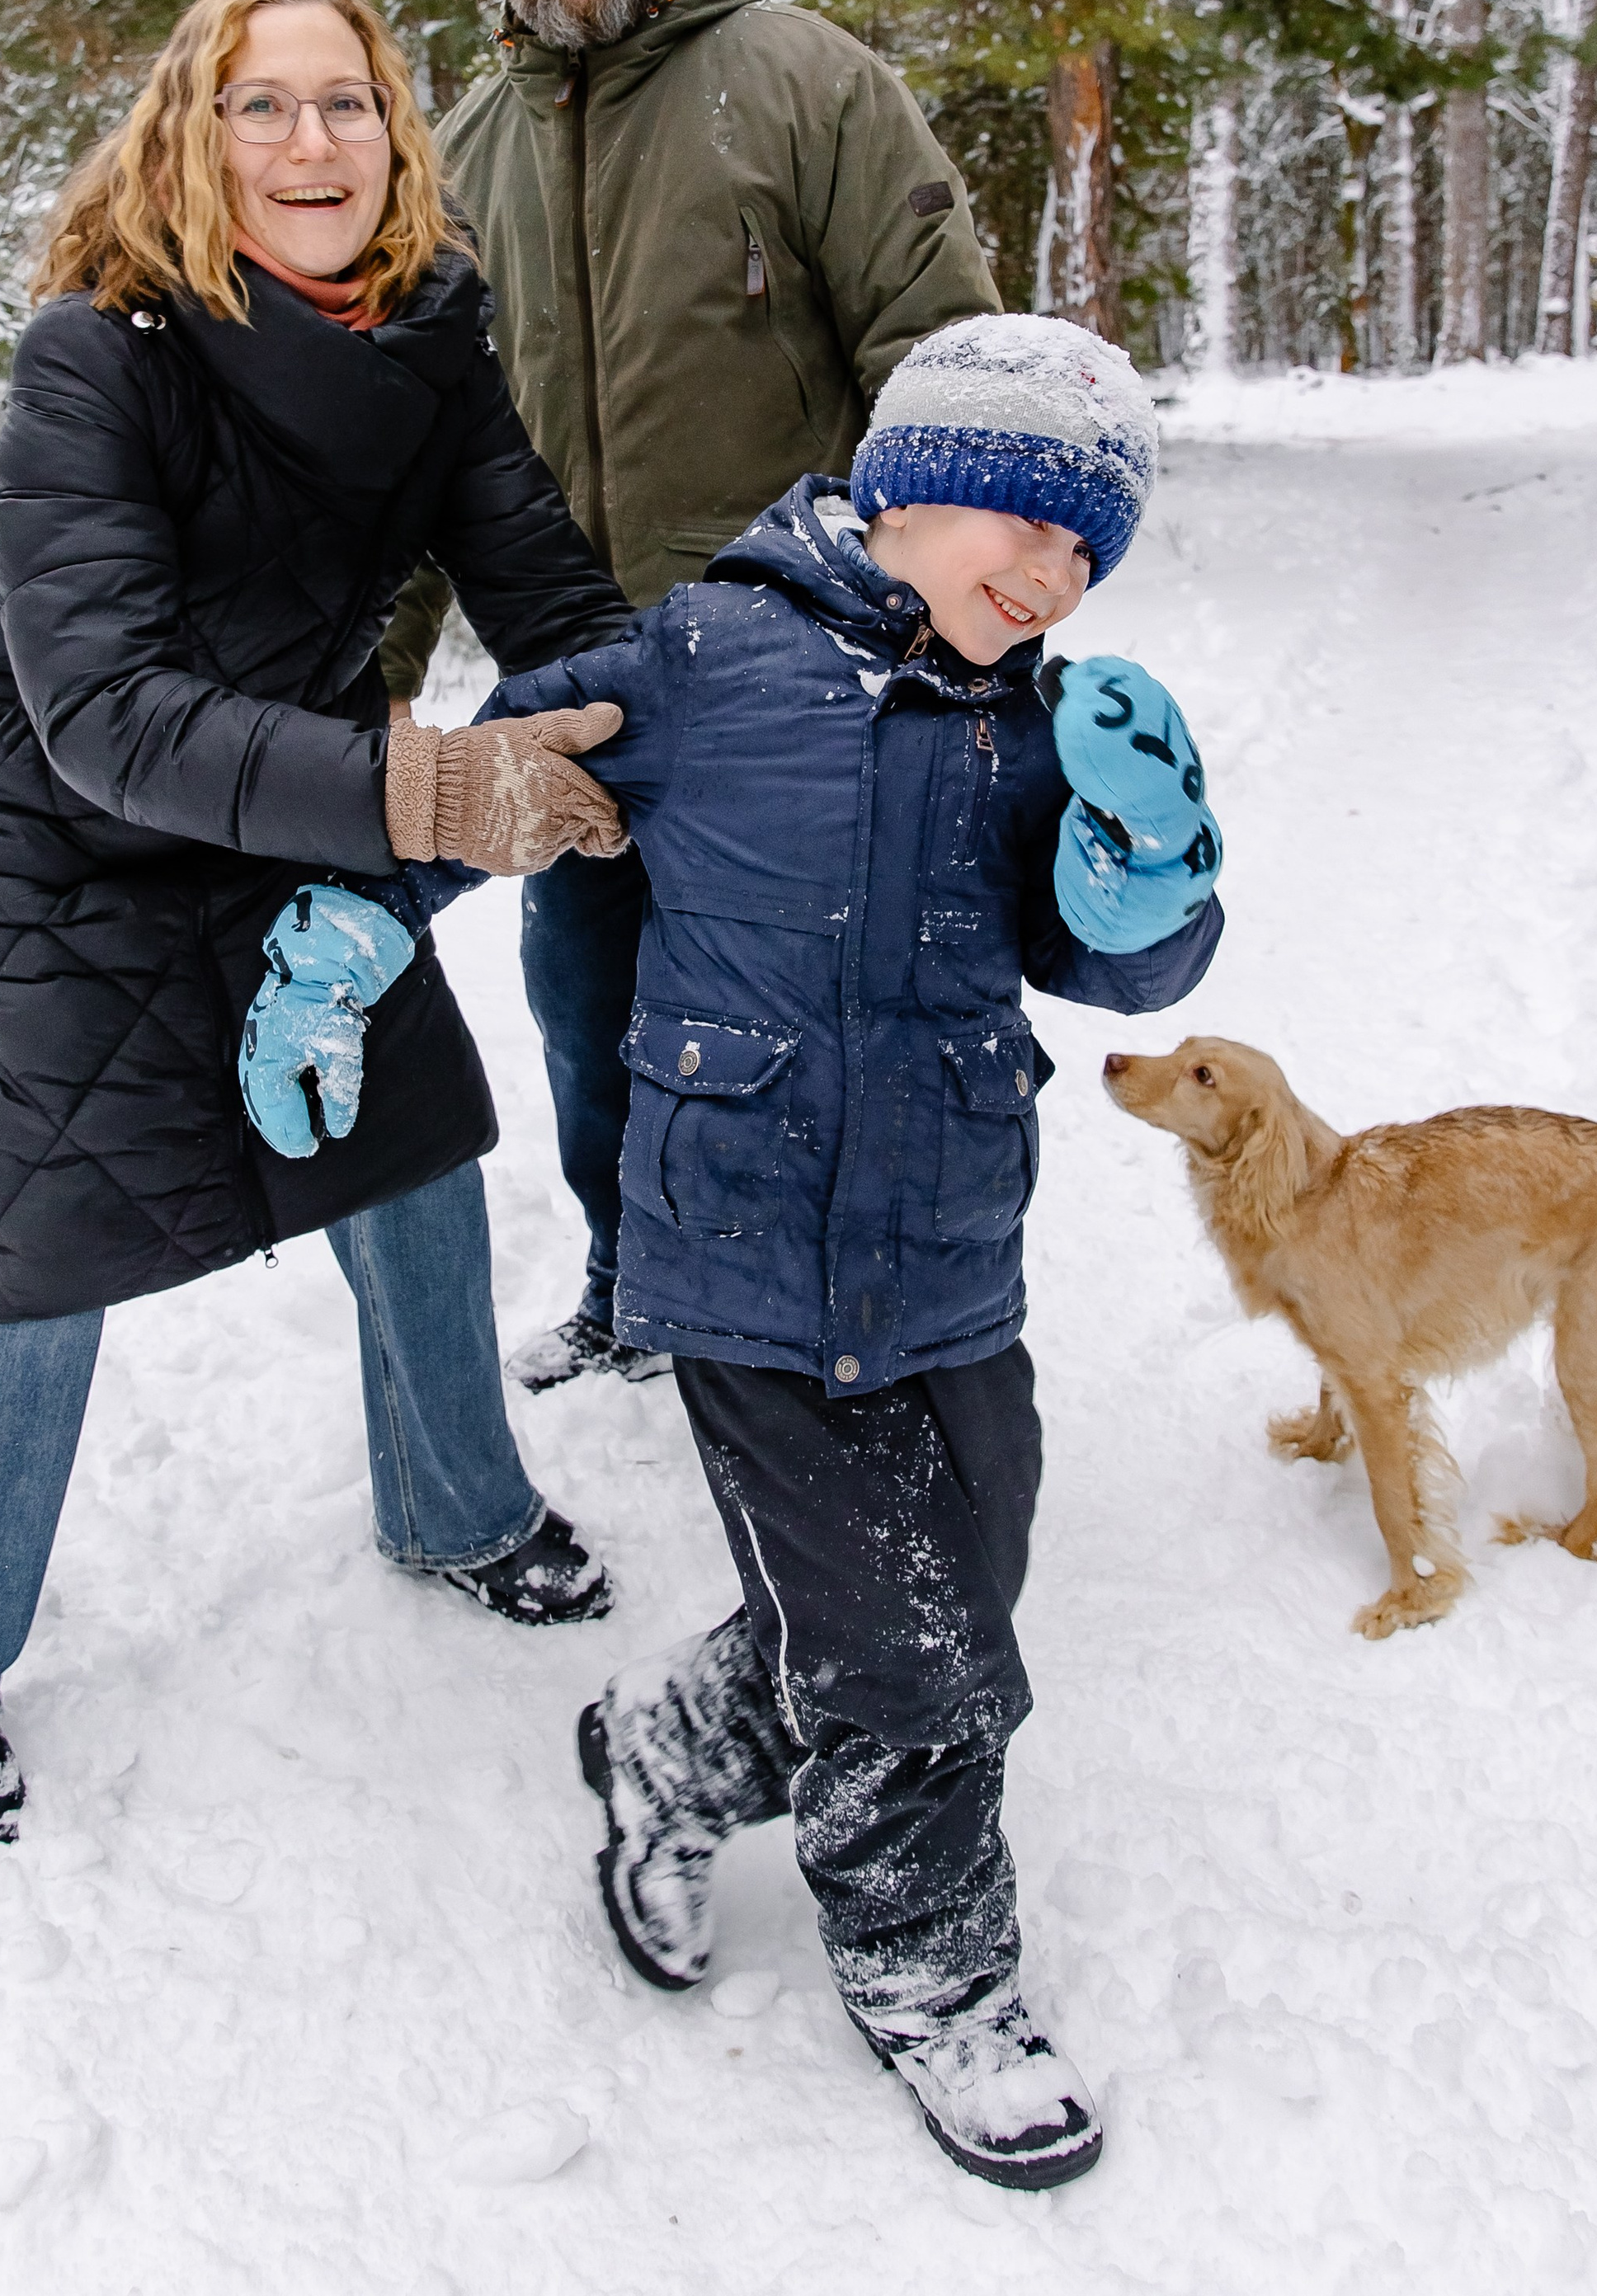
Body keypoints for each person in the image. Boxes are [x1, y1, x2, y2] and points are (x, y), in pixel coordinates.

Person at [0, 0, 635, 1856]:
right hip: (46, 813)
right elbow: (97, 707)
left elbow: (546, 589)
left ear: (395, 132)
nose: (309, 141)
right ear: (191, 132)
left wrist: (666, 707)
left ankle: (455, 1502)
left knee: (405, 1126)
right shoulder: (96, 352)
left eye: (344, 102)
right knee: (57, 1224)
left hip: (291, 771)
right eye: (261, 106)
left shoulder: (429, 337)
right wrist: (426, 787)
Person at [463, 315, 1225, 2188]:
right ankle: (934, 1976)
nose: (1052, 573)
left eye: (1085, 551)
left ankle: (673, 1738)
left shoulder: (1032, 721)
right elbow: (493, 765)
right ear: (906, 487)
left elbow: (1111, 963)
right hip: (739, 1261)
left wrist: (1149, 861)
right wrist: (346, 927)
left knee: (969, 1575)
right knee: (909, 1653)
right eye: (1032, 525)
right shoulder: (706, 660)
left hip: (950, 1246)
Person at [380, 0, 1005, 1392]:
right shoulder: (462, 155)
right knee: (587, 1020)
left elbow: (942, 375)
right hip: (573, 702)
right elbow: (410, 450)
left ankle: (816, 1337)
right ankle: (632, 1285)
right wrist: (341, 686)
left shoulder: (804, 84)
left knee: (794, 1036)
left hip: (799, 685)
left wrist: (938, 633)